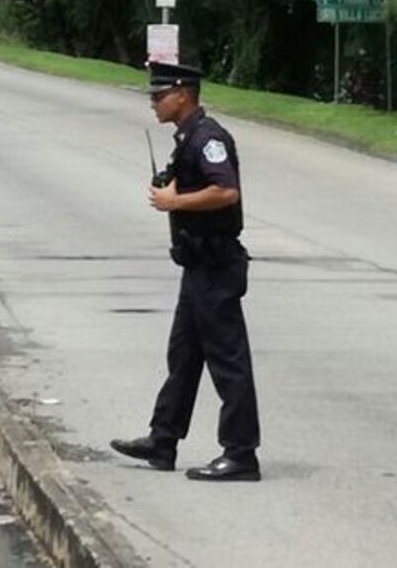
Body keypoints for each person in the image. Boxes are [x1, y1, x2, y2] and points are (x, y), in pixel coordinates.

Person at [111, 62, 261, 482]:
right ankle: (163, 441)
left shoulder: (209, 138)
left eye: (159, 96)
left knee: (228, 362)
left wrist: (174, 202)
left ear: (183, 93)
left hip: (216, 265)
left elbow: (225, 190)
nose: (154, 103)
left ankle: (241, 453)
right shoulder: (188, 138)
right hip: (197, 265)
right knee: (184, 356)